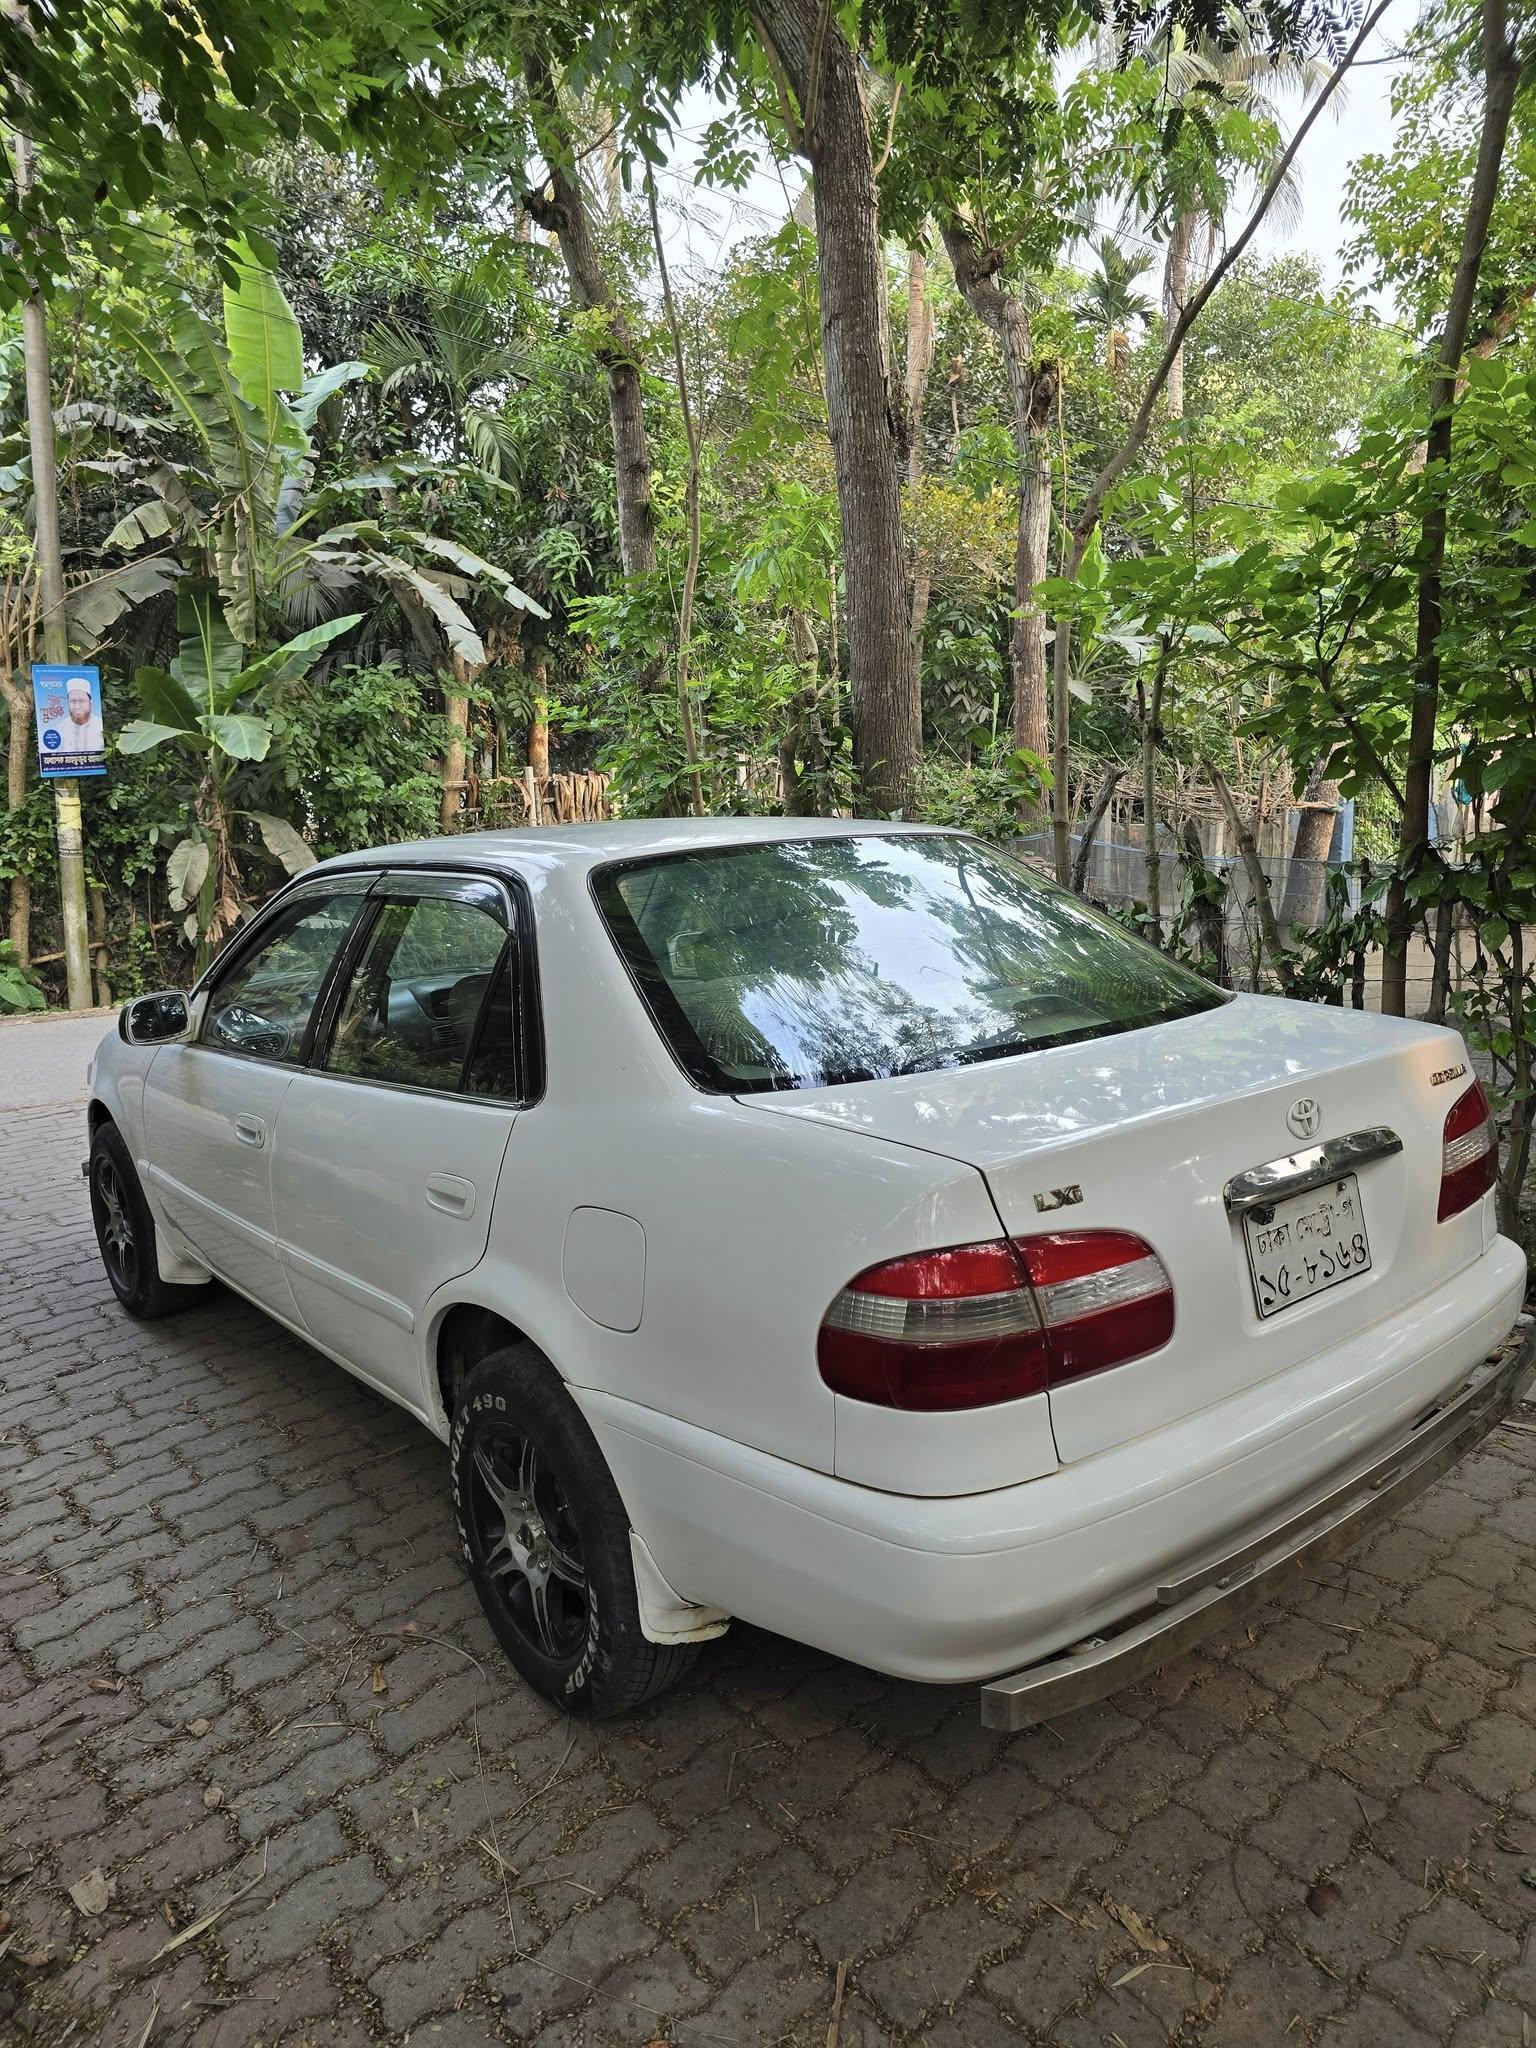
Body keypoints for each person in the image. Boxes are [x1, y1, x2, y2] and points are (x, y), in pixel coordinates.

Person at [60, 677, 104, 755]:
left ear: (90, 702)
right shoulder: (61, 727)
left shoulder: (100, 725)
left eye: (82, 701)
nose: (77, 706)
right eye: (73, 701)